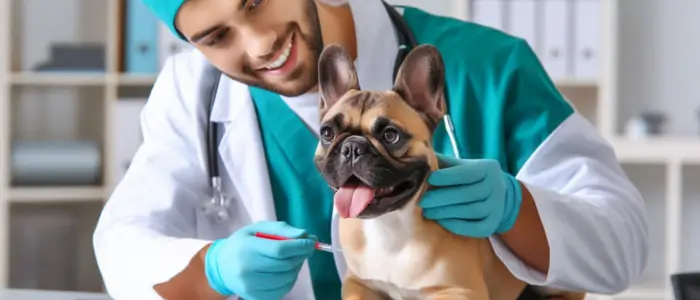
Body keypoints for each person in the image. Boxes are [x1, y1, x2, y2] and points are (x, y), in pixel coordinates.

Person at [92, 0, 650, 299]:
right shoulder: (193, 91)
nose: (259, 43)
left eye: (257, 0)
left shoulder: (489, 65)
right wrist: (212, 269)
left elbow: (622, 242)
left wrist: (515, 208)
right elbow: (122, 242)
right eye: (216, 37)